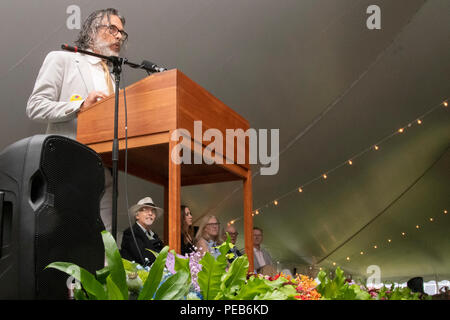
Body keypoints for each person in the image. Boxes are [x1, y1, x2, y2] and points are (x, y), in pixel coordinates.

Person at [26, 8, 128, 232]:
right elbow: (35, 106)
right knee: (67, 242)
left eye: (122, 33)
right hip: (68, 169)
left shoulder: (113, 75)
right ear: (92, 30)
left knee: (104, 246)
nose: (119, 36)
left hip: (105, 174)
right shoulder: (62, 59)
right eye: (113, 29)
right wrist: (79, 106)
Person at [120, 197, 164, 266]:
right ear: (137, 215)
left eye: (153, 211)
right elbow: (144, 258)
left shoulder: (154, 235)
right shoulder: (130, 233)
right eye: (145, 210)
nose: (150, 213)